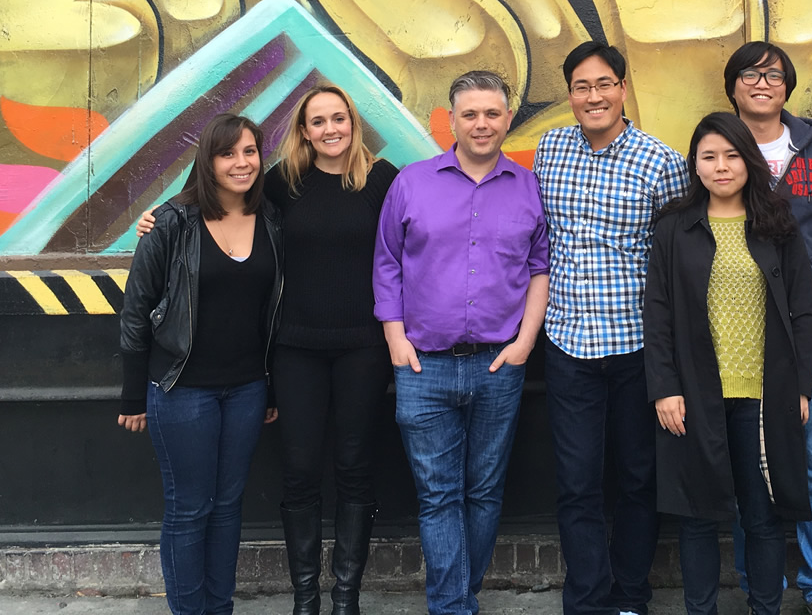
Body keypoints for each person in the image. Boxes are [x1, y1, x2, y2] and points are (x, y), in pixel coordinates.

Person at [138, 84, 399, 615]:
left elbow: (414, 241)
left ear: (354, 123)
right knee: (300, 471)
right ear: (304, 130)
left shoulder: (383, 180)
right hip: (295, 350)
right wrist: (161, 215)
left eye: (339, 118)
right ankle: (306, 599)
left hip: (364, 349)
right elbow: (217, 196)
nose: (330, 129)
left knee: (355, 468)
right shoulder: (283, 182)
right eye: (318, 121)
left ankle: (345, 598)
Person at [374, 71, 550, 615]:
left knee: (485, 493)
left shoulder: (528, 187)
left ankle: (457, 599)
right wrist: (396, 339)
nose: (481, 124)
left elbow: (540, 267)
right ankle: (453, 607)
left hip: (500, 364)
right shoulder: (411, 182)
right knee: (438, 496)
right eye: (470, 114)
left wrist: (525, 342)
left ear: (507, 119)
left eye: (492, 113)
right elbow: (387, 262)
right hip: (422, 366)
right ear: (451, 120)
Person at [534, 41, 688, 615]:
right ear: (570, 94)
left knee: (636, 478)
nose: (593, 96)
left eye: (604, 84)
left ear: (623, 89)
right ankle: (586, 599)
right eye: (582, 86)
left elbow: (674, 262)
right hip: (568, 344)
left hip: (635, 347)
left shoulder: (661, 162)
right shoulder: (550, 150)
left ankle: (629, 596)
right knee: (577, 483)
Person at [644, 111, 812, 615]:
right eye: (709, 157)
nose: (721, 167)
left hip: (762, 397)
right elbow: (657, 312)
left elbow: (804, 309)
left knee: (761, 515)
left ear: (749, 161)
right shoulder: (674, 227)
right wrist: (664, 387)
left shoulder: (776, 223)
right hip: (695, 396)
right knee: (698, 515)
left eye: (732, 155)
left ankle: (765, 607)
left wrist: (800, 388)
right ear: (695, 165)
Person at [118, 113, 284, 615]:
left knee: (228, 506)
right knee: (190, 508)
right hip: (182, 389)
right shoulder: (171, 221)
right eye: (227, 153)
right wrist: (133, 394)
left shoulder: (272, 219)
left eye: (250, 151)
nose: (241, 163)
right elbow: (136, 311)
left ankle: (220, 607)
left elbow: (272, 312)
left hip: (247, 388)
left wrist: (271, 388)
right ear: (207, 161)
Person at [722, 41, 812, 614]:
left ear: (787, 86)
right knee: (749, 467)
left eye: (773, 75)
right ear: (733, 87)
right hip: (742, 335)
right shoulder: (720, 147)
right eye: (749, 74)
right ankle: (758, 584)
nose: (761, 83)